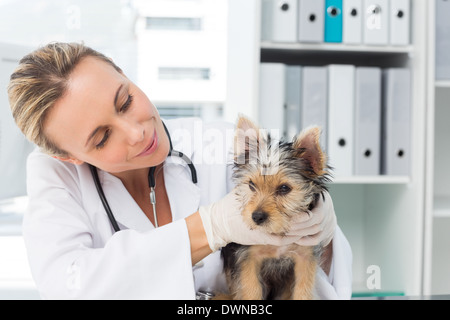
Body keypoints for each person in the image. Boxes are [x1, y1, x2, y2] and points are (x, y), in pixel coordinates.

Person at [8, 42, 352, 300]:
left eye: (126, 101)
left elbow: (314, 280)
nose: (136, 132)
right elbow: (68, 286)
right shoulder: (56, 178)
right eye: (102, 138)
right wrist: (209, 227)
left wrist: (323, 232)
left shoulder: (215, 141)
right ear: (69, 156)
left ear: (124, 73)